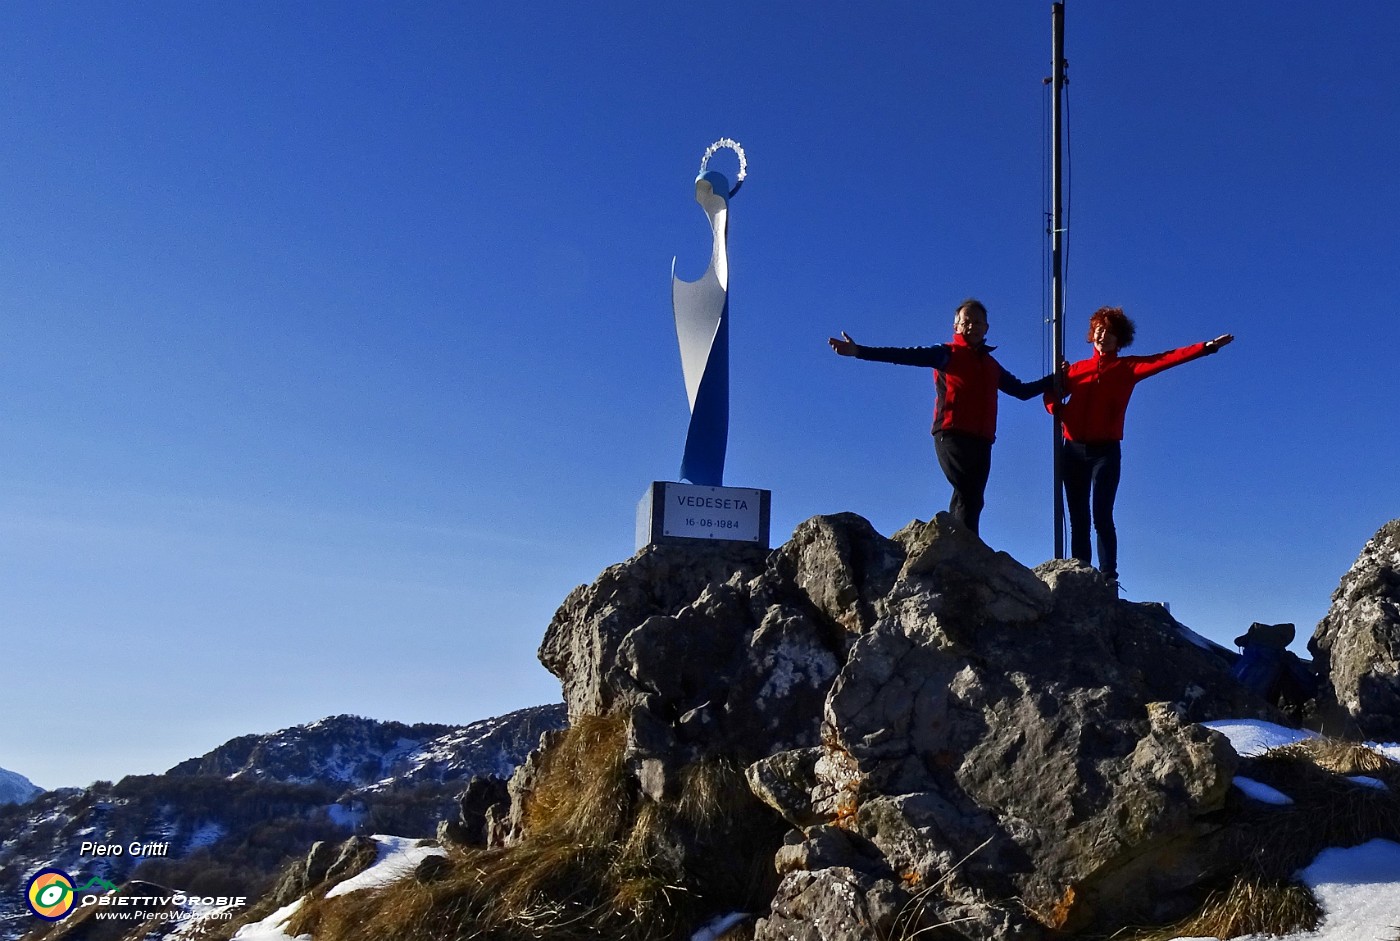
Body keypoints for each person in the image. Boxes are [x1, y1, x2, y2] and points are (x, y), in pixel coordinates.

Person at [828, 298, 1055, 536]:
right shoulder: (946, 353)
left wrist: (1055, 378)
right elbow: (904, 355)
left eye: (978, 322)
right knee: (970, 495)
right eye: (966, 321)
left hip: (983, 440)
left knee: (967, 498)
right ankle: (969, 554)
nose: (972, 326)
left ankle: (952, 544)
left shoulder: (991, 365)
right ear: (956, 326)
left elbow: (1022, 391)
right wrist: (859, 351)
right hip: (951, 434)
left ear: (986, 328)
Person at [1046, 305, 1233, 588]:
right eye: (1099, 329)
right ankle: (1080, 572)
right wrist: (1055, 402)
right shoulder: (1074, 370)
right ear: (1091, 334)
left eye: (1109, 331)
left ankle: (1108, 578)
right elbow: (1052, 399)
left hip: (1105, 452)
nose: (1102, 334)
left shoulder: (1127, 367)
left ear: (1119, 339)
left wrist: (1205, 347)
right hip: (1072, 449)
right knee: (1078, 517)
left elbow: (1166, 359)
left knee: (1102, 514)